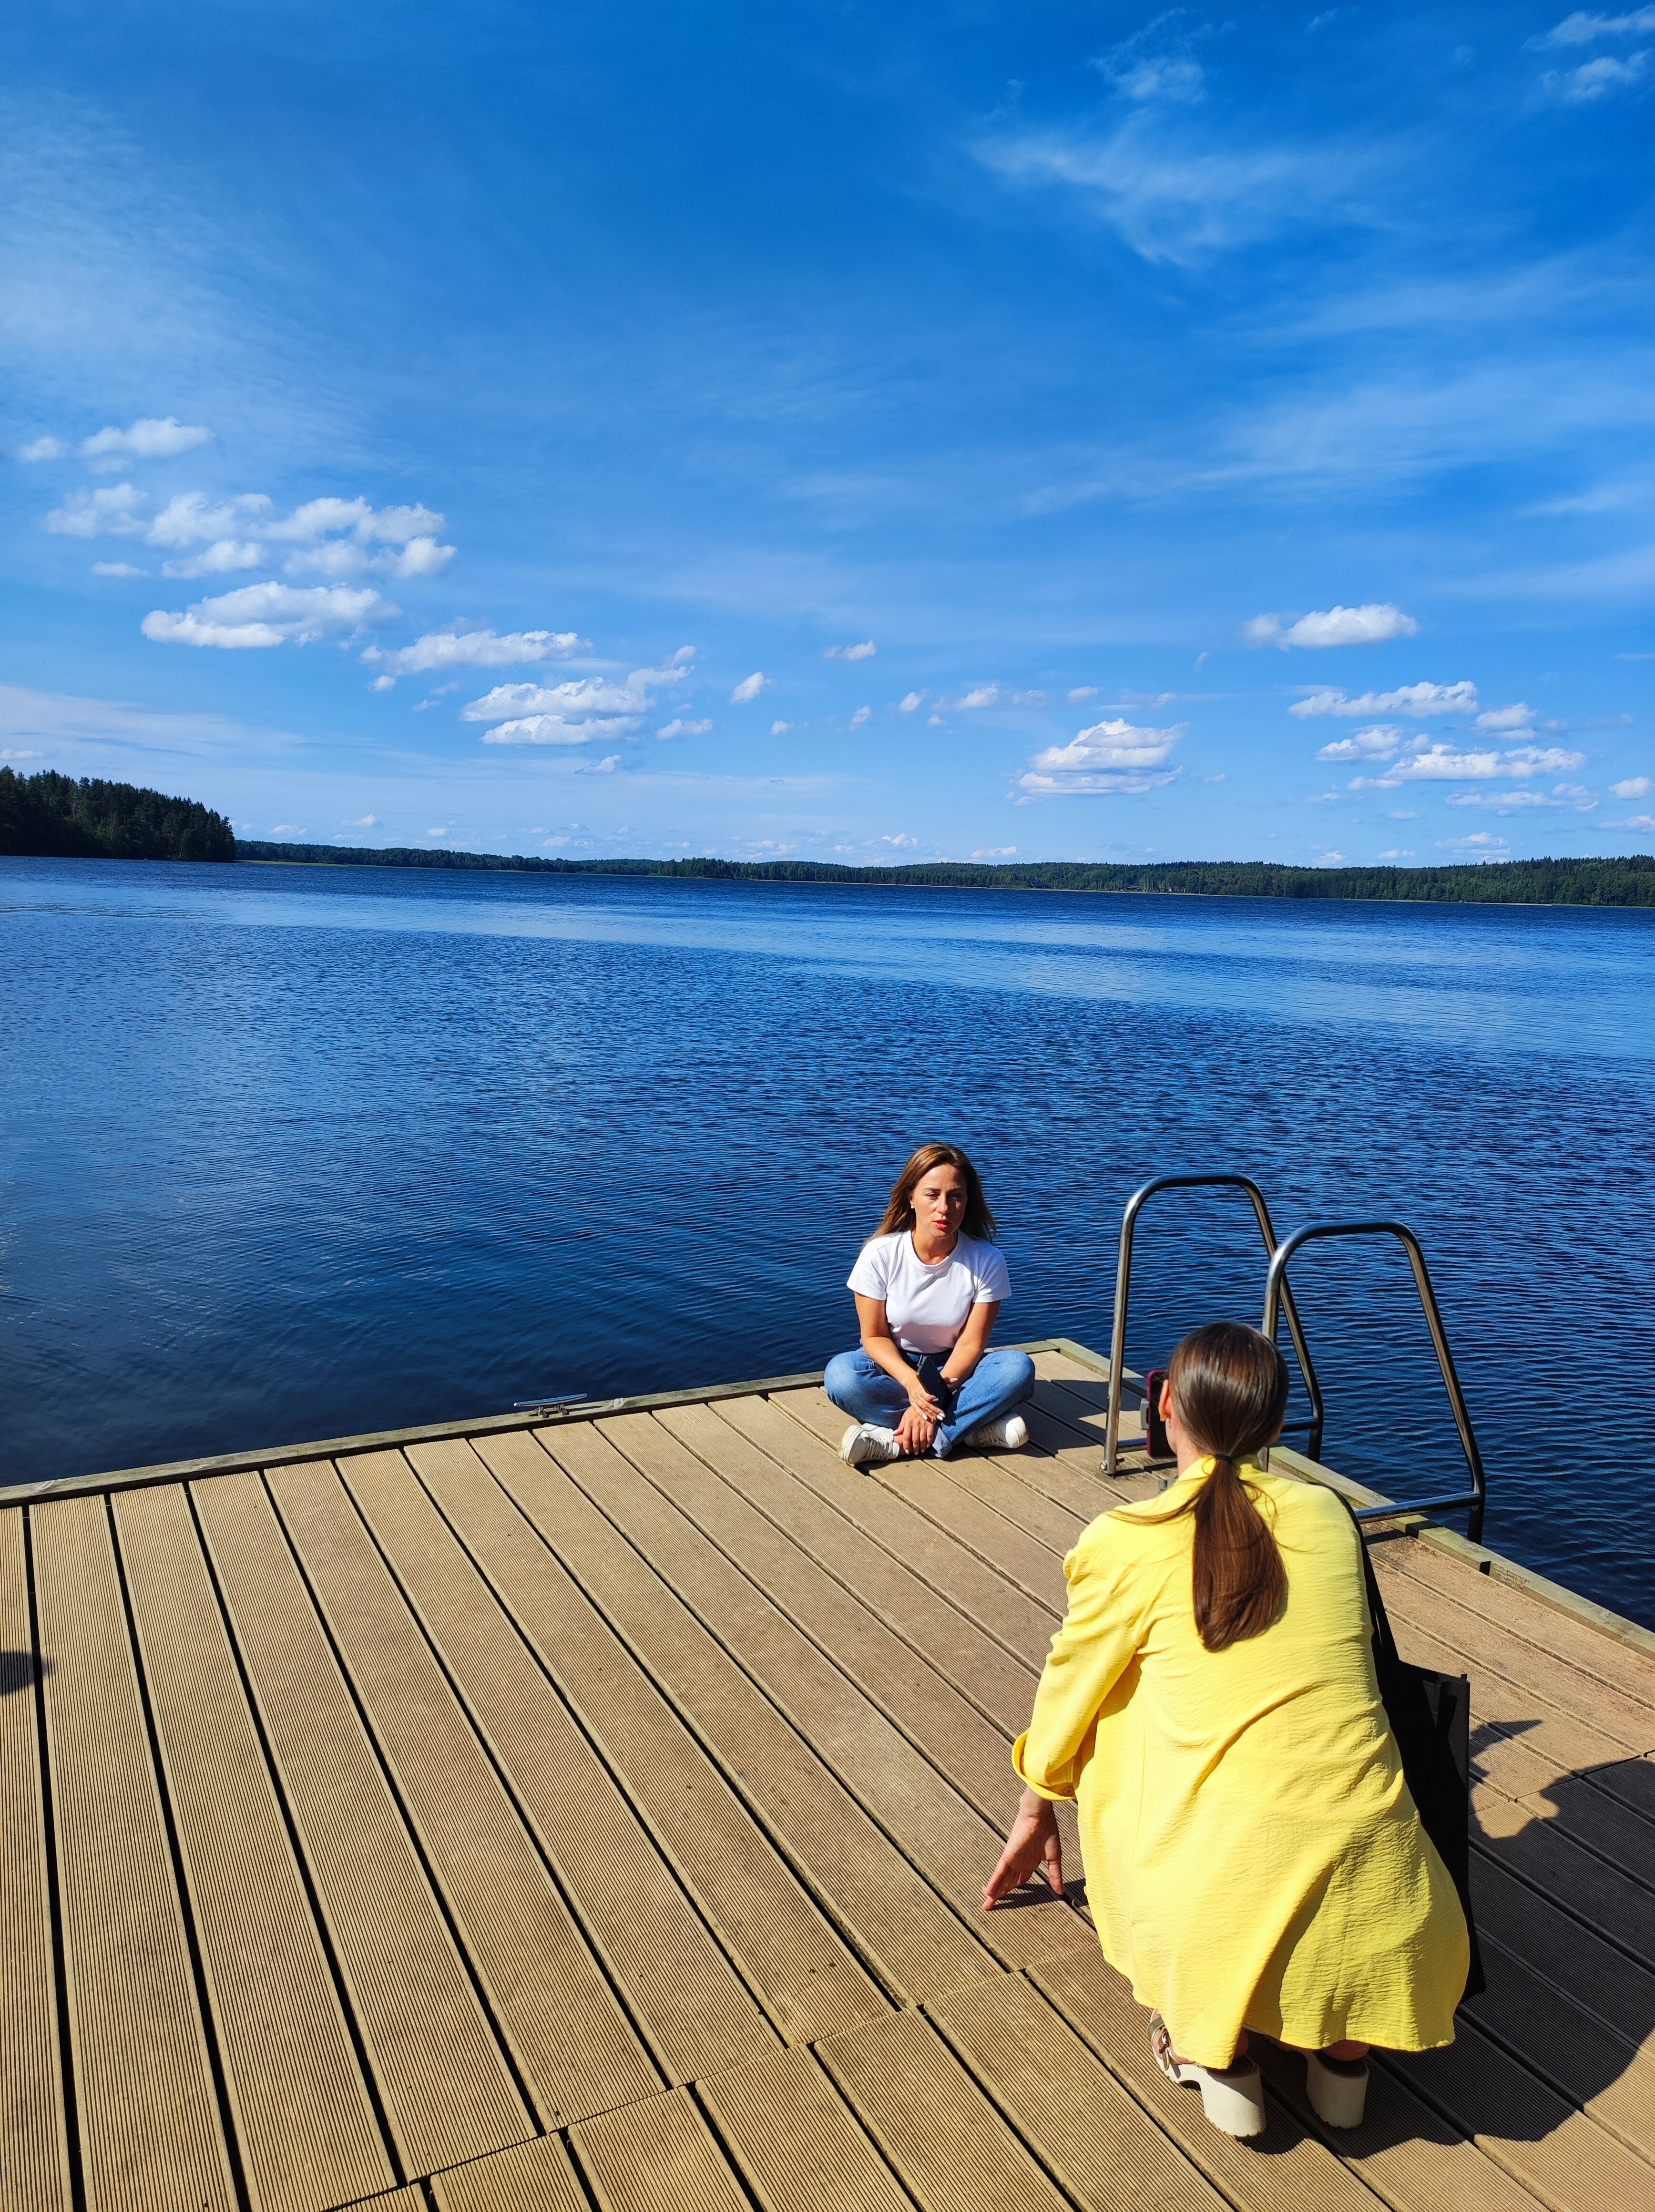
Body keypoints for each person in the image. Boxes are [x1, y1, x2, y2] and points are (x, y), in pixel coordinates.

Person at [983, 1321, 1469, 2140]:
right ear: (1277, 1428)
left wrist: (1037, 1806)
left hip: (1213, 1902)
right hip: (1392, 1906)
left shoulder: (1127, 1542)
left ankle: (1214, 2049)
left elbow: (1068, 1691)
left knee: (1119, 1712)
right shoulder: (1327, 1517)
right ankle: (1341, 2062)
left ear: (1163, 1404)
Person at [826, 1142, 1035, 1467]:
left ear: (968, 1201)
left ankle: (896, 1440)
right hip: (895, 1366)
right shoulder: (880, 1255)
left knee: (1017, 1369)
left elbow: (971, 1344)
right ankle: (969, 1430)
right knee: (841, 1375)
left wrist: (927, 1401)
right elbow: (875, 1338)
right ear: (910, 1197)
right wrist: (913, 1387)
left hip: (957, 1370)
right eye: (932, 1195)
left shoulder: (987, 1260)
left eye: (956, 1196)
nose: (944, 1208)